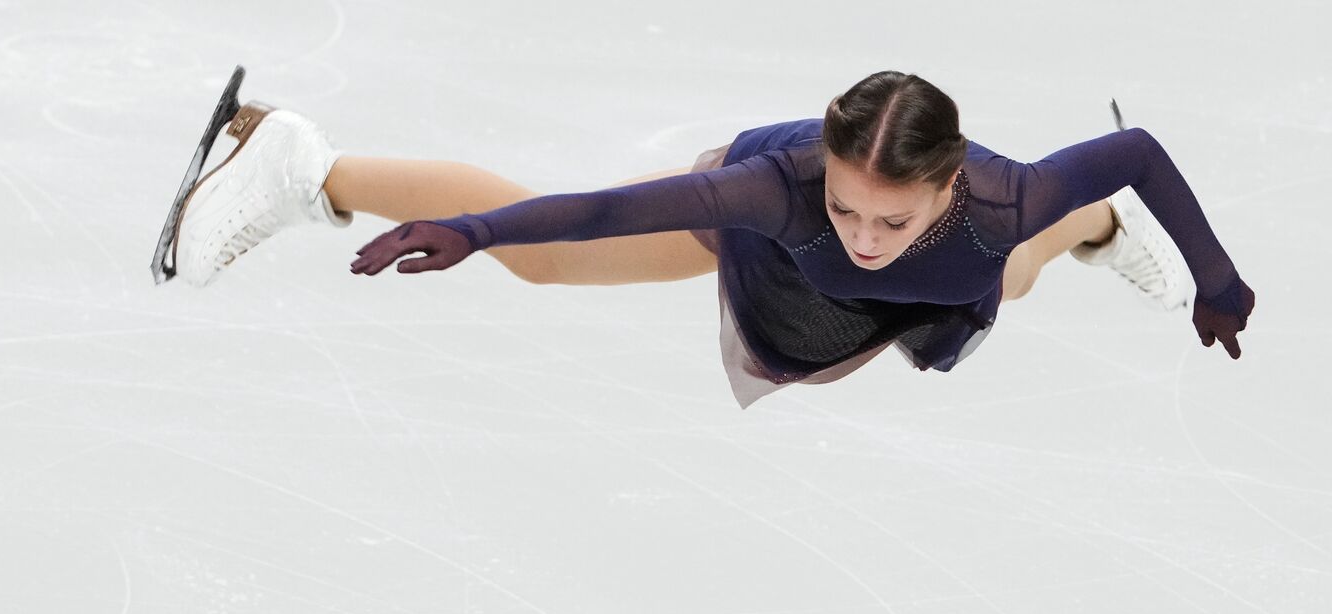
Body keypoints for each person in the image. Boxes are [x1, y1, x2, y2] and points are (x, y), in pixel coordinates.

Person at [170, 70, 1256, 409]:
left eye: (893, 216)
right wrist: (470, 229)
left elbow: (1143, 149)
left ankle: (1098, 231)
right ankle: (302, 162)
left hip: (984, 238)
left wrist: (1219, 280)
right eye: (848, 206)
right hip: (765, 245)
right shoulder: (777, 192)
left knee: (1006, 278)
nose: (865, 236)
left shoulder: (1003, 195)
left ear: (944, 183)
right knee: (548, 260)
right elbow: (598, 212)